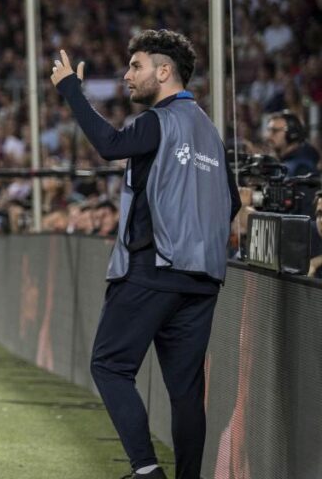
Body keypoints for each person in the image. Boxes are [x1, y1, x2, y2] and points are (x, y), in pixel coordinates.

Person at [51, 29, 241, 479]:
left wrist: (71, 93)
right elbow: (230, 202)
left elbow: (110, 146)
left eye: (135, 66)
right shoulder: (211, 134)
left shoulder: (159, 121)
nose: (126, 75)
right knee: (185, 393)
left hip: (153, 267)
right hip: (202, 281)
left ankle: (146, 471)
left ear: (164, 70)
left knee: (110, 365)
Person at [265, 110, 319, 178]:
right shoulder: (279, 162)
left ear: (292, 134)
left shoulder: (302, 167)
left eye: (274, 131)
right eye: (268, 130)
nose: (268, 136)